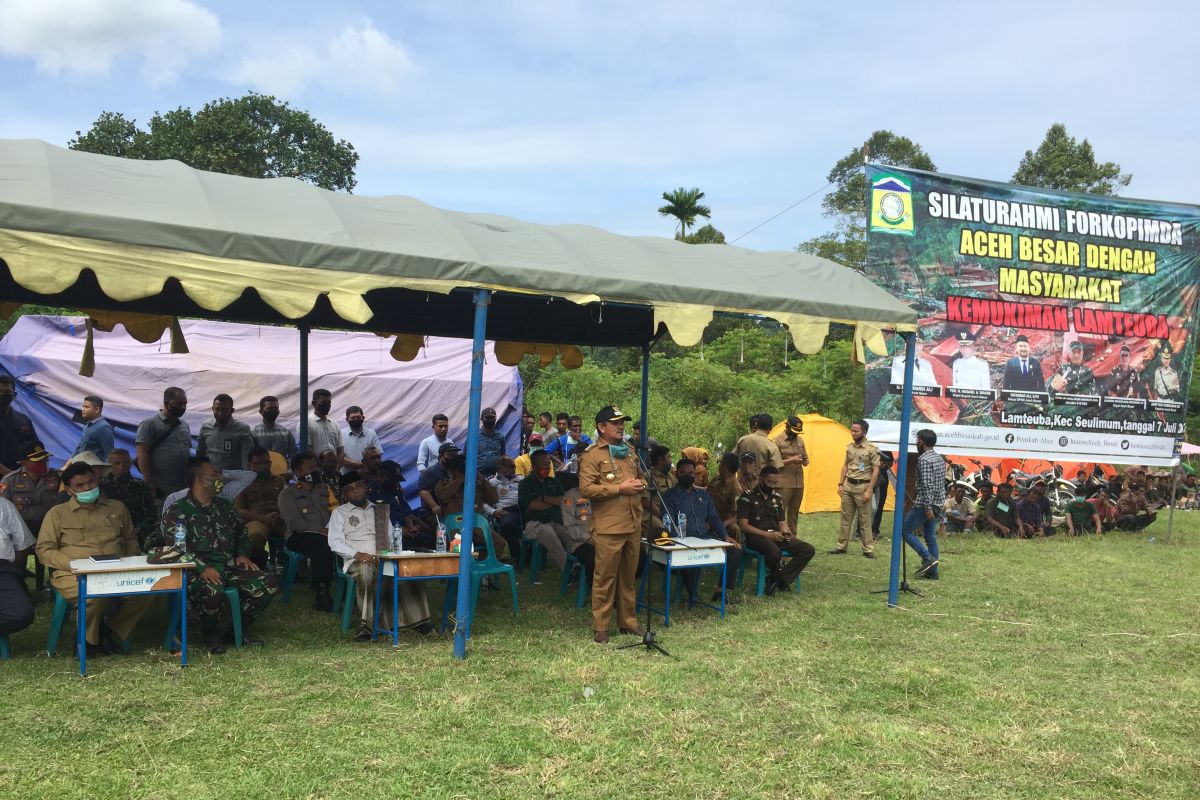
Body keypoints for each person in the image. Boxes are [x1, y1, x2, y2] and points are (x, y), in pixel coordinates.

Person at [37, 461, 151, 656]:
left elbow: (129, 539)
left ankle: (108, 630)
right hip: (72, 573)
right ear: (70, 491)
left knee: (147, 590)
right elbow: (44, 549)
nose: (87, 488)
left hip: (116, 569)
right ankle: (88, 642)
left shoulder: (117, 507)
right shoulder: (57, 514)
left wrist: (132, 562)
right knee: (95, 596)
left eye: (90, 482)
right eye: (80, 486)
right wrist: (73, 565)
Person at [165, 462, 277, 653]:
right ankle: (211, 635)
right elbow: (178, 549)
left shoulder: (225, 506)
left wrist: (242, 555)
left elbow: (241, 532)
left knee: (267, 583)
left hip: (227, 566)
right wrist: (202, 568)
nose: (220, 480)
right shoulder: (179, 510)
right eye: (215, 475)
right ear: (201, 480)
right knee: (213, 590)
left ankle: (236, 630)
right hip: (195, 570)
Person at [328, 471, 431, 640]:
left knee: (409, 569)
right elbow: (335, 542)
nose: (356, 491)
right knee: (367, 572)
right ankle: (367, 626)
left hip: (383, 557)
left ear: (365, 487)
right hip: (356, 560)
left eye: (359, 486)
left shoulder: (380, 510)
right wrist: (357, 554)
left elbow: (391, 538)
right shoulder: (339, 513)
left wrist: (389, 555)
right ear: (345, 493)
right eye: (350, 489)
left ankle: (418, 620)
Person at [578, 405, 647, 644]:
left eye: (622, 422)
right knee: (605, 578)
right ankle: (601, 626)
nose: (621, 426)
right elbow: (586, 489)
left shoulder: (628, 451)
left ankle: (628, 622)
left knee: (628, 577)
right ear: (601, 427)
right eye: (615, 423)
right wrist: (620, 488)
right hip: (609, 527)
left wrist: (641, 484)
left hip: (632, 523)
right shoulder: (592, 455)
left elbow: (642, 477)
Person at [662, 458, 742, 604]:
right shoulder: (669, 496)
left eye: (691, 473)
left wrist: (725, 536)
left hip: (705, 537)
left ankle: (721, 592)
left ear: (695, 474)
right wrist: (678, 540)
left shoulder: (703, 495)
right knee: (688, 553)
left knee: (735, 551)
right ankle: (693, 594)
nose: (687, 475)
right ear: (677, 474)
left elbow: (713, 518)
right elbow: (668, 522)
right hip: (683, 539)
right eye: (683, 473)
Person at [737, 465, 815, 594]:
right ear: (760, 479)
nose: (772, 485)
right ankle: (776, 579)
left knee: (807, 550)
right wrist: (768, 536)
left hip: (776, 535)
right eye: (769, 482)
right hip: (756, 536)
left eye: (774, 483)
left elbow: (782, 522)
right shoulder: (747, 497)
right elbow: (743, 526)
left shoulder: (776, 498)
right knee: (774, 552)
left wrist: (786, 532)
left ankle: (779, 579)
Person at [277, 451, 337, 611]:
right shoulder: (288, 493)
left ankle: (348, 587)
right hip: (299, 536)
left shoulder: (325, 489)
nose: (315, 470)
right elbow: (294, 522)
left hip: (329, 532)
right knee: (321, 543)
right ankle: (322, 595)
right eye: (310, 468)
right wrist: (320, 530)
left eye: (315, 466)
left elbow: (336, 511)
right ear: (297, 472)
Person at [518, 450, 589, 575]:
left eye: (548, 463)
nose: (547, 467)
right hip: (535, 523)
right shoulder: (525, 484)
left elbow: (565, 501)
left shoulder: (553, 481)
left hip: (556, 520)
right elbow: (533, 505)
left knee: (571, 535)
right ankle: (571, 571)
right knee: (552, 538)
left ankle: (583, 564)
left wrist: (544, 498)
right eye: (543, 464)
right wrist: (553, 502)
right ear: (534, 466)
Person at [433, 453, 506, 558]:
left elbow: (494, 499)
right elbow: (444, 495)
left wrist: (481, 479)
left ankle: (484, 569)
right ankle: (462, 572)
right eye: (461, 469)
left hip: (477, 528)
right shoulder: (443, 484)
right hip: (456, 529)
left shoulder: (477, 484)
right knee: (459, 549)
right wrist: (460, 479)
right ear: (452, 471)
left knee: (499, 542)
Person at [234, 447, 287, 570]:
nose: (263, 466)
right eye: (258, 464)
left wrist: (282, 516)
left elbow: (289, 503)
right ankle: (257, 570)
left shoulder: (280, 481)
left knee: (296, 531)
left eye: (266, 463)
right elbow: (238, 511)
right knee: (255, 535)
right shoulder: (242, 484)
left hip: (280, 518)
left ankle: (297, 571)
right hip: (256, 520)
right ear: (250, 465)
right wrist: (263, 518)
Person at [135, 386, 192, 502]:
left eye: (185, 404)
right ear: (166, 403)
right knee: (162, 518)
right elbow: (142, 453)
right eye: (178, 403)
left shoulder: (184, 425)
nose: (182, 407)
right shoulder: (150, 424)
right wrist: (150, 483)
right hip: (161, 487)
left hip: (183, 486)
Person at [832, 419, 879, 557]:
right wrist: (840, 484)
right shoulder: (849, 447)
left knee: (865, 520)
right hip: (848, 485)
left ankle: (868, 549)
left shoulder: (871, 449)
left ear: (864, 432)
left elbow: (876, 470)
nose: (853, 433)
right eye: (852, 430)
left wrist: (870, 489)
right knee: (846, 518)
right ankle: (841, 546)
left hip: (863, 486)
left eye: (856, 431)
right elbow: (845, 466)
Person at [0, 442, 59, 553]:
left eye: (45, 459)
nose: (44, 462)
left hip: (49, 525)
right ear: (23, 463)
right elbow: (2, 508)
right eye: (38, 461)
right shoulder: (8, 481)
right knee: (20, 559)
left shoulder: (55, 477)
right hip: (21, 527)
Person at [902, 429, 943, 578]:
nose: (916, 442)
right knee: (930, 536)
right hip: (937, 503)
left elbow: (927, 485)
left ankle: (927, 558)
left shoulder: (924, 460)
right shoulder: (939, 458)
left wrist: (927, 507)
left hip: (925, 505)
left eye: (917, 439)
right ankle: (933, 573)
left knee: (905, 531)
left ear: (922, 442)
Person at [100, 448, 157, 549]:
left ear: (130, 464)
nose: (121, 467)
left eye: (125, 463)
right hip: (108, 532)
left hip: (138, 532)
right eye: (116, 463)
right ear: (108, 465)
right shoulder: (100, 486)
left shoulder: (140, 485)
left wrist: (139, 528)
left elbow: (151, 514)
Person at [367, 459, 430, 549]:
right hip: (385, 534)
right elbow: (377, 521)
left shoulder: (396, 489)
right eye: (392, 479)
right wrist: (396, 530)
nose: (395, 482)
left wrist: (411, 528)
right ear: (380, 476)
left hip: (404, 530)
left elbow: (406, 512)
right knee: (411, 549)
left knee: (430, 542)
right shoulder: (373, 492)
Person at [0, 494, 35, 643]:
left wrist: (15, 572)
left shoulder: (3, 505)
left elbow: (23, 544)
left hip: (2, 570)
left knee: (21, 614)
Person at [771, 416, 809, 534]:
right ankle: (778, 536)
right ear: (786, 427)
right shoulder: (777, 441)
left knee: (794, 512)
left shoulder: (800, 440)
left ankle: (792, 538)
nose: (795, 434)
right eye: (793, 431)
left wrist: (805, 461)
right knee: (779, 511)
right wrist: (791, 460)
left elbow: (805, 457)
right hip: (783, 483)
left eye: (798, 432)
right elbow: (773, 463)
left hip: (798, 483)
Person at [197, 394, 254, 471]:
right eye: (217, 409)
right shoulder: (205, 426)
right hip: (209, 477)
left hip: (232, 479)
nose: (220, 413)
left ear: (232, 410)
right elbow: (200, 453)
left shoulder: (243, 429)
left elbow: (246, 458)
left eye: (224, 410)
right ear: (212, 409)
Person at [486, 456, 522, 559]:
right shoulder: (492, 482)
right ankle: (517, 556)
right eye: (511, 466)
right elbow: (483, 503)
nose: (514, 468)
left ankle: (529, 554)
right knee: (507, 525)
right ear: (501, 467)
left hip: (521, 509)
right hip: (505, 511)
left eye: (515, 466)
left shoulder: (520, 479)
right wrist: (493, 512)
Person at [0, 375, 37, 475]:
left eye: (7, 392)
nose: (3, 395)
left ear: (14, 395)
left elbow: (34, 447)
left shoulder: (23, 419)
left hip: (22, 478)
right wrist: (10, 475)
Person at [707, 451, 743, 542]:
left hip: (723, 521)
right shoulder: (717, 480)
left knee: (734, 529)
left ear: (725, 466)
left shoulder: (735, 489)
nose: (719, 465)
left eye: (721, 462)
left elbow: (736, 516)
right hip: (709, 517)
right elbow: (705, 492)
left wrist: (722, 525)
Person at [418, 442, 459, 520]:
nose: (453, 458)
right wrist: (434, 506)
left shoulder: (456, 471)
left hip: (452, 512)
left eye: (455, 455)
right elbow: (423, 491)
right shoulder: (430, 472)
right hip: (434, 515)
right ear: (440, 456)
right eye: (450, 455)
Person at [308, 389, 343, 467]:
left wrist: (337, 469)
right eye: (323, 403)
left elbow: (341, 451)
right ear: (314, 403)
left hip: (334, 471)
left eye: (329, 403)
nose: (327, 406)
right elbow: (307, 448)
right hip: (315, 470)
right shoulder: (306, 423)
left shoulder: (335, 425)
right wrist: (322, 466)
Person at [74, 394, 114, 461]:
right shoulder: (88, 425)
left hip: (95, 469)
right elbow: (80, 446)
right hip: (83, 466)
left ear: (97, 409)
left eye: (86, 407)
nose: (82, 409)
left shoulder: (103, 428)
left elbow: (109, 453)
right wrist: (67, 465)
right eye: (83, 406)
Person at [474, 407, 506, 476]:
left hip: (496, 476)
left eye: (492, 418)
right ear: (482, 420)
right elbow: (466, 456)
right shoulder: (474, 437)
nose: (490, 420)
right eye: (488, 418)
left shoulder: (500, 437)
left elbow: (502, 456)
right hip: (478, 476)